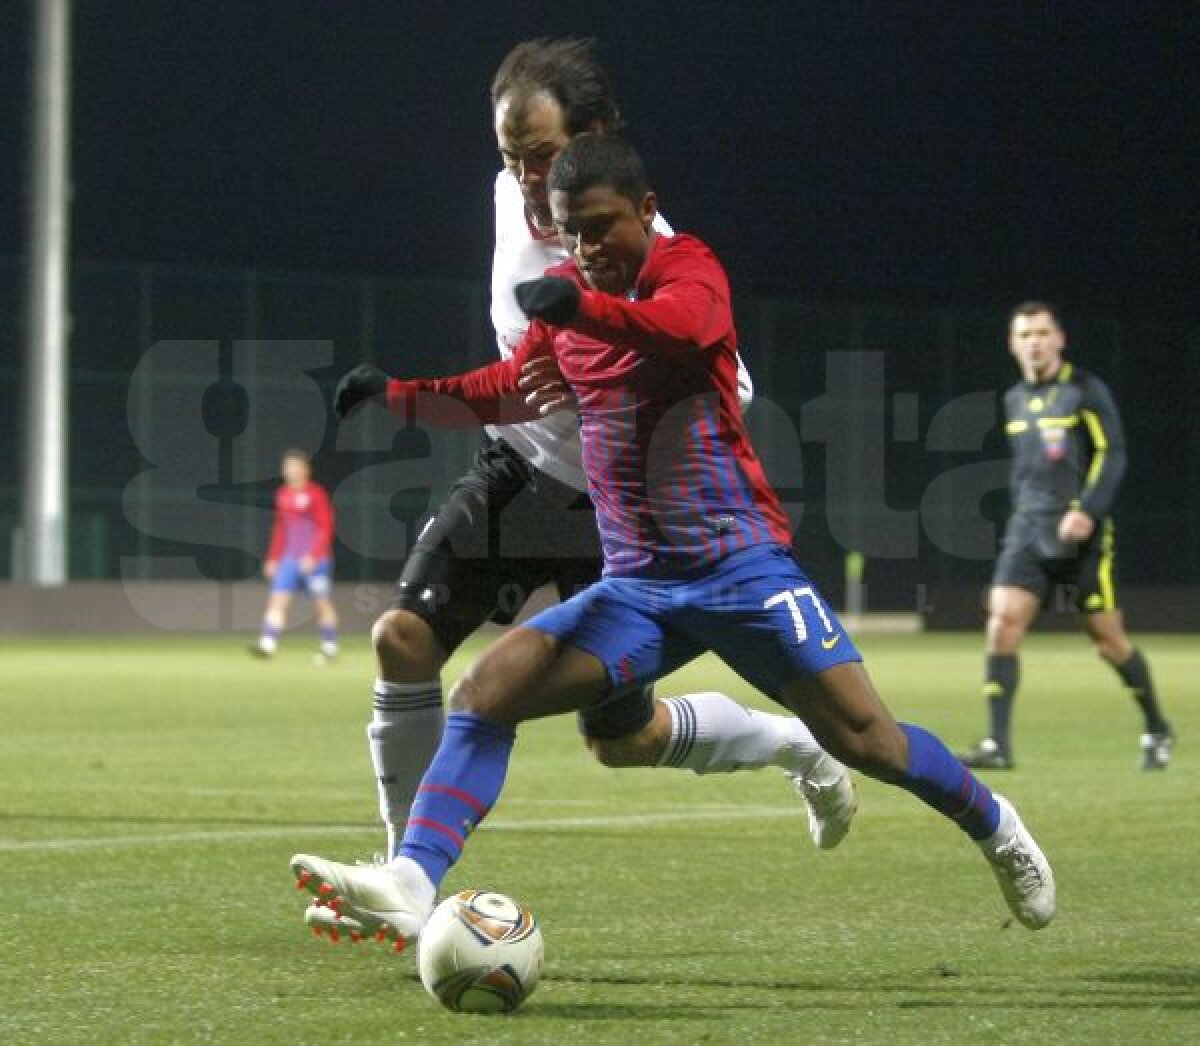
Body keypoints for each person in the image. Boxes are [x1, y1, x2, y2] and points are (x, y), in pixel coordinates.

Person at [293, 134, 1055, 948]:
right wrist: (400, 394)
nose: (588, 249)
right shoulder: (565, 293)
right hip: (636, 589)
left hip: (742, 570)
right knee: (485, 693)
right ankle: (412, 881)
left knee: (870, 741)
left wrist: (579, 307)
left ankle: (998, 826)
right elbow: (507, 389)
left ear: (646, 213)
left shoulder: (688, 269)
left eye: (602, 228)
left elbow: (681, 330)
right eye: (571, 232)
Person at [298, 38, 854, 940]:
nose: (523, 178)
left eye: (543, 156)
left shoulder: (651, 249)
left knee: (619, 741)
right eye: (510, 156)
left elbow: (731, 387)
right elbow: (516, 356)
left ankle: (797, 746)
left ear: (592, 137)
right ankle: (405, 884)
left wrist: (611, 367)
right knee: (402, 639)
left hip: (617, 511)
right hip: (516, 472)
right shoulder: (506, 197)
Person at [960, 303, 1173, 771]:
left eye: (1041, 332)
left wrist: (1088, 511)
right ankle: (998, 743)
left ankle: (1157, 727)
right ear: (1013, 344)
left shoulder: (1084, 390)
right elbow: (1029, 468)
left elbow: (1111, 453)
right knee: (1002, 622)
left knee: (1108, 641)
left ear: (1060, 339)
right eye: (1024, 334)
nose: (1034, 342)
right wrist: (1021, 511)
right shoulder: (1014, 399)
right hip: (1028, 530)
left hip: (1083, 536)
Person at [252, 448, 339, 663]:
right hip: (289, 559)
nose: (290, 471)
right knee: (277, 600)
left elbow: (326, 526)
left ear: (306, 469)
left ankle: (329, 646)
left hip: (316, 561)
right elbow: (281, 529)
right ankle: (267, 644)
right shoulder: (283, 494)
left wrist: (314, 555)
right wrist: (273, 558)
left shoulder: (316, 494)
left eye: (294, 466)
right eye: (287, 467)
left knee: (322, 604)